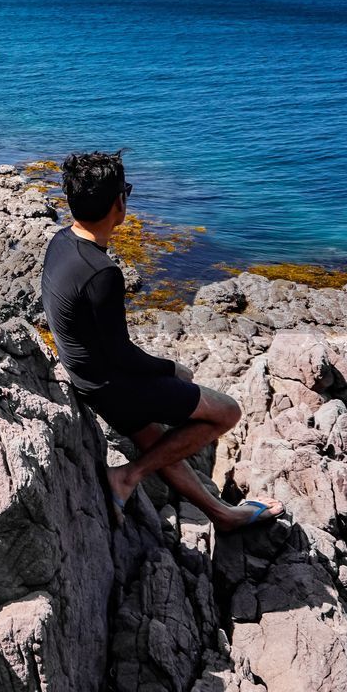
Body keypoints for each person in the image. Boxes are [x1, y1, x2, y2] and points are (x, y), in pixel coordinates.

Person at [40, 150, 284, 531]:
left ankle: (222, 515)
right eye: (128, 191)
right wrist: (173, 369)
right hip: (109, 385)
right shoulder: (102, 273)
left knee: (162, 444)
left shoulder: (60, 242)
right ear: (118, 202)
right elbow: (121, 354)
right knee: (227, 411)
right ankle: (127, 476)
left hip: (84, 374)